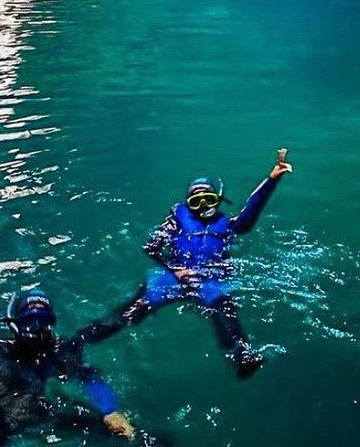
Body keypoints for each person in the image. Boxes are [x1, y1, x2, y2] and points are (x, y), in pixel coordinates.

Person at [82, 149, 293, 378]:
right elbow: (151, 247)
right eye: (196, 201)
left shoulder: (228, 226)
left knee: (225, 309)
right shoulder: (176, 220)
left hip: (208, 278)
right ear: (188, 204)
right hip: (172, 275)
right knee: (134, 308)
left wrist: (272, 179)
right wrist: (177, 269)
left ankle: (242, 357)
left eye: (208, 199)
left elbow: (252, 210)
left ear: (218, 200)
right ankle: (80, 341)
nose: (203, 205)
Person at [0, 288, 136, 446]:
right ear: (16, 325)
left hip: (36, 413)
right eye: (30, 324)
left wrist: (110, 411)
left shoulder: (56, 353)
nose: (38, 331)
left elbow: (88, 375)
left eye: (44, 323)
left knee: (110, 429)